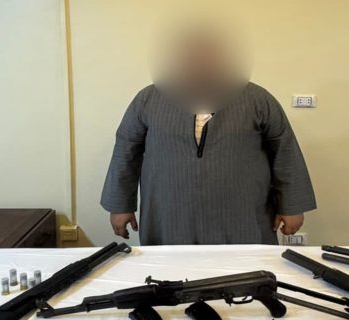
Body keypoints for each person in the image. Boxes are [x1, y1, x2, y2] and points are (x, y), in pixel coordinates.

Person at [100, 24, 316, 245]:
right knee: (170, 265)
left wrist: (291, 207)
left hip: (243, 219)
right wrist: (120, 205)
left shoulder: (257, 99)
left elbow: (285, 152)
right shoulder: (148, 99)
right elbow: (126, 151)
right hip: (168, 218)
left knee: (246, 265)